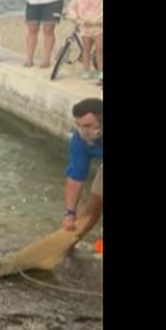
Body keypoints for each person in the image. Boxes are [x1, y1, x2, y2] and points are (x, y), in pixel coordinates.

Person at [63, 99, 103, 234]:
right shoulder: (80, 140)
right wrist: (69, 213)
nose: (82, 131)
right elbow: (75, 177)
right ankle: (68, 245)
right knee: (96, 202)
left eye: (87, 125)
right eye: (79, 126)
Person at [66, 0, 103, 80]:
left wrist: (94, 21)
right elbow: (72, 7)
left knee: (100, 48)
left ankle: (100, 70)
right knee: (86, 49)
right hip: (85, 26)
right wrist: (75, 17)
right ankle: (86, 69)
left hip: (98, 26)